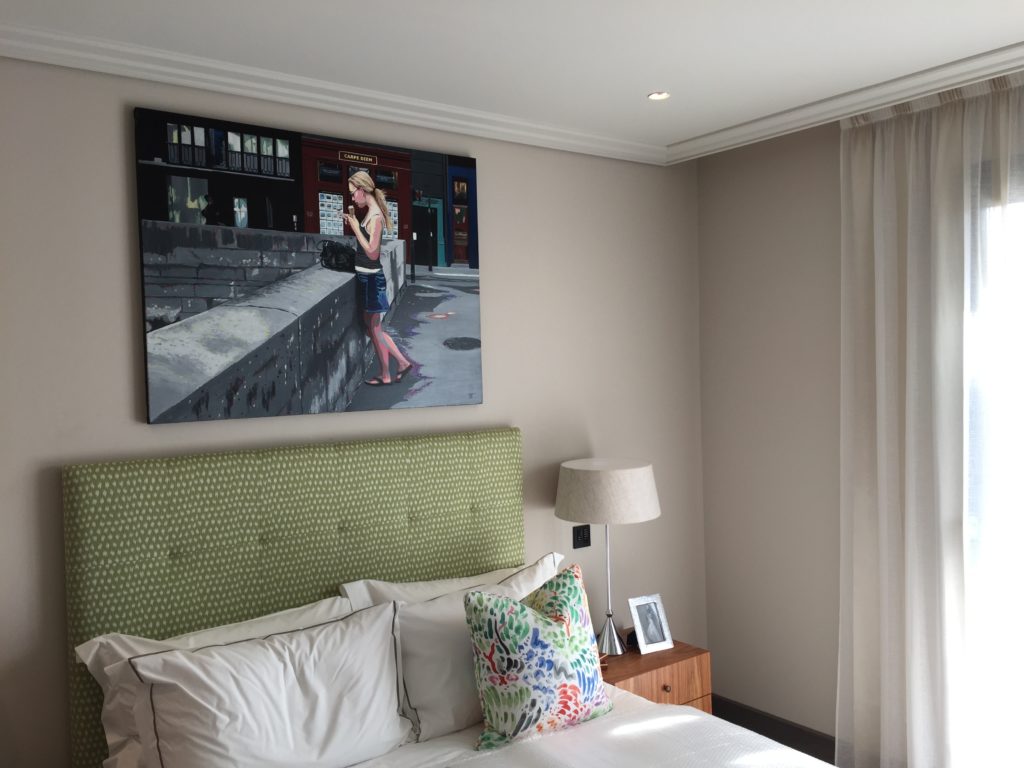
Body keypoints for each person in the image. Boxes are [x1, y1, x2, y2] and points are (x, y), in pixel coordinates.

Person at [342, 171, 413, 386]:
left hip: (372, 279)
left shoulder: (374, 217)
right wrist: (355, 222)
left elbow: (373, 253)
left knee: (374, 328)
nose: (352, 198)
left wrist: (355, 227)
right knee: (373, 327)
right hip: (368, 277)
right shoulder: (371, 214)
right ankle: (398, 365)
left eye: (353, 193)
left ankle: (389, 372)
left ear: (362, 190)